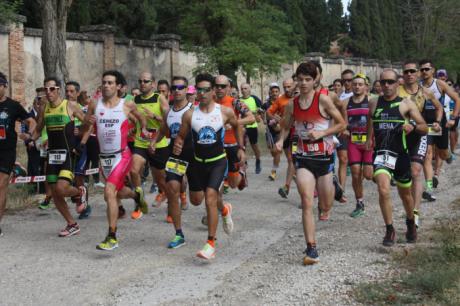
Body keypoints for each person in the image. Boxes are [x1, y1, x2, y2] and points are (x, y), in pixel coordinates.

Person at [275, 62, 346, 264]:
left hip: (324, 159)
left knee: (325, 206)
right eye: (300, 79)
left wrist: (323, 133)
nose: (304, 83)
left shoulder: (322, 100)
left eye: (308, 79)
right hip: (304, 158)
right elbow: (287, 126)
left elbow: (342, 123)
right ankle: (311, 249)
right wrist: (281, 140)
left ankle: (333, 183)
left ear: (315, 80)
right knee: (307, 201)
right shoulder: (292, 104)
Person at [173, 73, 245, 260]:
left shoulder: (224, 112)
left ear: (213, 91)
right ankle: (225, 210)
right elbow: (181, 135)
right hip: (197, 163)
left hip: (218, 161)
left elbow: (237, 126)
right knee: (197, 200)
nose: (202, 93)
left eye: (206, 89)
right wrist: (179, 143)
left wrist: (240, 148)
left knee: (210, 198)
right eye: (199, 90)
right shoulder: (190, 115)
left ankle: (210, 244)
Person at [81, 70, 148, 250]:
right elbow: (84, 126)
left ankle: (112, 237)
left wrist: (143, 132)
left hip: (122, 155)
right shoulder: (95, 104)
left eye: (110, 83)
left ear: (118, 87)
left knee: (109, 192)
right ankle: (136, 195)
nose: (106, 85)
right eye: (104, 82)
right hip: (104, 158)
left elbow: (142, 118)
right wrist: (87, 121)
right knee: (117, 193)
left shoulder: (127, 104)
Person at [367, 69, 427, 247]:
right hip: (382, 154)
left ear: (397, 83)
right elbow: (371, 122)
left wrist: (413, 126)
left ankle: (410, 222)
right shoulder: (373, 103)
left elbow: (424, 127)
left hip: (401, 154)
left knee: (406, 196)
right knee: (383, 189)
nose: (386, 85)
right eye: (383, 82)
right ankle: (389, 229)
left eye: (390, 82)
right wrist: (368, 143)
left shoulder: (406, 104)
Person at [32, 76, 88, 237]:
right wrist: (30, 139)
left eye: (51, 89)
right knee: (54, 193)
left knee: (61, 188)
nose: (48, 92)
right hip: (52, 155)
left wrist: (81, 138)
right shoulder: (44, 108)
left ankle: (79, 192)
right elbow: (39, 128)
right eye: (45, 89)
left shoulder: (69, 106)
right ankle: (72, 224)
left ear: (58, 90)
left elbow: (88, 125)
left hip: (68, 154)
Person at [399, 60, 443, 228]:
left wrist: (438, 121)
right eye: (406, 72)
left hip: (419, 135)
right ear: (403, 75)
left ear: (417, 74)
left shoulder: (425, 93)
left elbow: (438, 107)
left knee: (416, 171)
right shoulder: (397, 91)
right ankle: (410, 208)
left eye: (412, 71)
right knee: (405, 176)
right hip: (400, 137)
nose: (409, 74)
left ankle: (415, 212)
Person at [0, 72, 36, 236]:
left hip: (6, 151)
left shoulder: (13, 106)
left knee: (1, 186)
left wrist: (29, 135)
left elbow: (31, 120)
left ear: (4, 86)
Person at [130, 72, 169, 219]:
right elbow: (135, 119)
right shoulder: (135, 100)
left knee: (161, 180)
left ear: (153, 83)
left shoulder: (160, 99)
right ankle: (139, 203)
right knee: (134, 171)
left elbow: (167, 120)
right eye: (140, 81)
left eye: (146, 81)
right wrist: (135, 127)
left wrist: (154, 117)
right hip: (141, 142)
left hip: (159, 143)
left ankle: (171, 205)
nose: (142, 84)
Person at [419, 60, 460, 199]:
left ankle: (448, 155)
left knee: (442, 153)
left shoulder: (439, 84)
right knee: (427, 155)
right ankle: (429, 188)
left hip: (439, 123)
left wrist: (453, 118)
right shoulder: (418, 86)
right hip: (425, 123)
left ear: (432, 70)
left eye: (427, 69)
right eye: (422, 69)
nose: (424, 72)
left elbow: (457, 99)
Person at [343, 74, 374, 218]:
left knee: (368, 175)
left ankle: (381, 174)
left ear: (366, 87)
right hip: (353, 142)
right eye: (354, 84)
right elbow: (342, 122)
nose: (357, 86)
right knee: (355, 173)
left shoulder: (372, 101)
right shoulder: (345, 103)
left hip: (368, 142)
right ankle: (359, 203)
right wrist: (344, 130)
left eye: (360, 84)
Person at [66, 81, 92, 219]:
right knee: (66, 179)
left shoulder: (82, 109)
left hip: (79, 146)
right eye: (67, 91)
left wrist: (81, 136)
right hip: (67, 146)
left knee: (78, 177)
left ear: (77, 93)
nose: (69, 94)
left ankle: (85, 206)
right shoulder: (63, 107)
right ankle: (78, 196)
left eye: (72, 91)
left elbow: (89, 127)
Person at [266, 79, 297, 196]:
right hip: (286, 131)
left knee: (296, 159)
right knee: (290, 159)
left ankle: (291, 184)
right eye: (285, 87)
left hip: (299, 132)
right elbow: (268, 113)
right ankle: (287, 186)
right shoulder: (281, 99)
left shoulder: (301, 96)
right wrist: (274, 117)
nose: (287, 89)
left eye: (289, 86)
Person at [240, 83, 263, 174]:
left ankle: (258, 160)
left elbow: (259, 116)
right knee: (242, 146)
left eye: (245, 88)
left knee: (254, 145)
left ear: (249, 89)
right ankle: (244, 163)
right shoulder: (239, 100)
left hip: (252, 126)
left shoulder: (254, 99)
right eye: (242, 88)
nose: (243, 90)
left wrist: (256, 115)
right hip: (242, 127)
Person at [262, 82, 281, 180]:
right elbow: (261, 112)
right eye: (273, 91)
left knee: (276, 151)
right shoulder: (266, 104)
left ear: (279, 92)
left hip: (279, 130)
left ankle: (273, 172)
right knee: (272, 151)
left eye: (276, 91)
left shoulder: (282, 103)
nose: (274, 93)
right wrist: (263, 119)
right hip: (269, 131)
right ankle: (276, 161)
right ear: (270, 93)